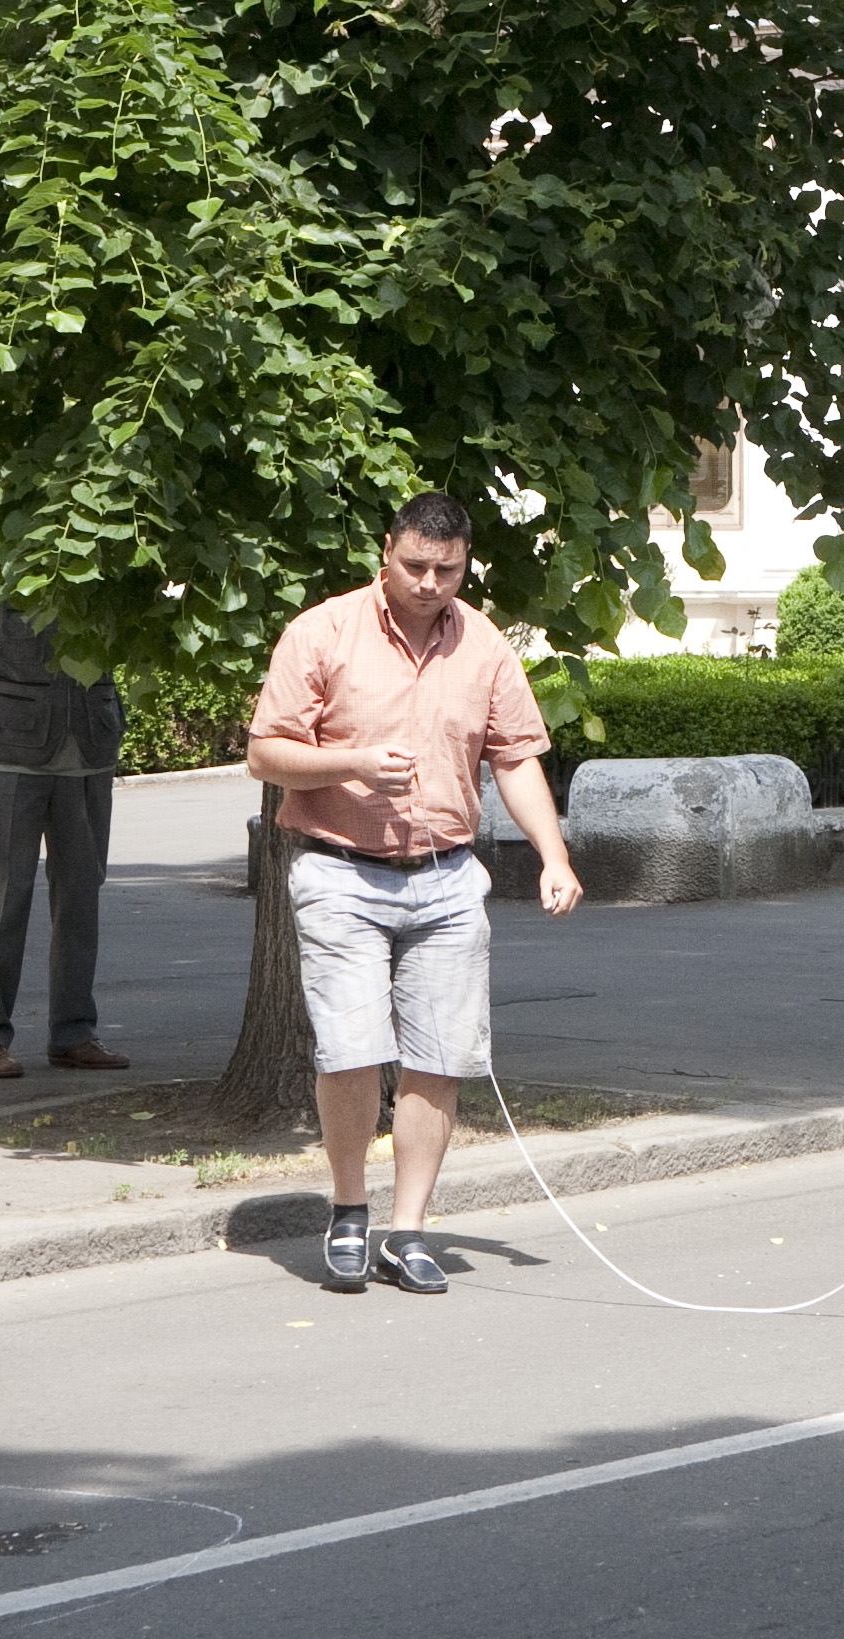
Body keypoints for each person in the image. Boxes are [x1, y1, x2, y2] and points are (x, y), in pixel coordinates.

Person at [249, 493, 583, 1295]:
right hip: (339, 871)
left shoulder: (483, 644)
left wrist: (553, 856)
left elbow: (514, 758)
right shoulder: (322, 632)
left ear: (465, 564)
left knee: (440, 1058)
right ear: (385, 553)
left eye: (448, 570)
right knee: (351, 1050)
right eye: (415, 566)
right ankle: (347, 1210)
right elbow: (265, 753)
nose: (430, 583)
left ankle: (408, 1230)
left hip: (445, 878)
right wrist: (352, 763)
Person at [0, 592, 131, 1079]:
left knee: (81, 898)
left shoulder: (111, 563)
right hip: (5, 757)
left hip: (89, 751)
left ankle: (75, 1033)